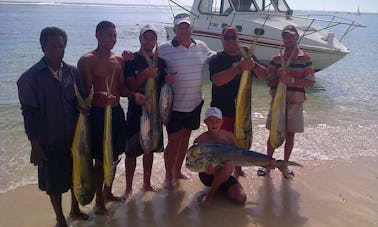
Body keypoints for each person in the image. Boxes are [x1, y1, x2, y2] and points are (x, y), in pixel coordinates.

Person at [17, 26, 88, 227]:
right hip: (49, 139)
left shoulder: (73, 72)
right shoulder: (29, 79)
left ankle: (75, 208)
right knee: (54, 185)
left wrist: (84, 107)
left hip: (75, 138)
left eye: (61, 46)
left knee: (76, 176)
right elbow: (29, 115)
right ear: (43, 47)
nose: (58, 50)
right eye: (53, 46)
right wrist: (35, 146)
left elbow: (81, 99)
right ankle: (59, 217)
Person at [77, 21, 145, 214]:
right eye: (108, 35)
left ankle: (107, 192)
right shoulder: (87, 60)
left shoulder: (118, 60)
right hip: (98, 115)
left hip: (116, 113)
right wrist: (99, 95)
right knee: (99, 158)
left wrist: (134, 95)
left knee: (114, 156)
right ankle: (98, 199)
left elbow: (122, 88)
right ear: (97, 35)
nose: (112, 39)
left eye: (114, 35)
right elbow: (85, 94)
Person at [159, 14, 215, 189]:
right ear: (174, 29)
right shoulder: (164, 48)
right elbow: (153, 67)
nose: (184, 30)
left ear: (192, 29)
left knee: (185, 140)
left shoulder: (201, 46)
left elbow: (215, 56)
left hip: (195, 103)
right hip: (174, 106)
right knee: (173, 141)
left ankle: (177, 171)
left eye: (186, 27)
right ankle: (168, 176)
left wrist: (234, 51)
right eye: (180, 27)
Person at [209, 25, 267, 177]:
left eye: (233, 37)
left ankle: (238, 168)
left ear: (238, 39)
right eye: (227, 37)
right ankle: (219, 174)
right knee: (222, 147)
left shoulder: (248, 57)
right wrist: (238, 68)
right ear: (222, 40)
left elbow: (266, 76)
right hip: (222, 111)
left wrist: (253, 65)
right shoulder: (216, 59)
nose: (230, 40)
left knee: (240, 142)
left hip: (243, 111)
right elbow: (217, 80)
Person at [123, 24, 173, 199]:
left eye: (152, 38)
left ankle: (146, 182)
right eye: (146, 38)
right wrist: (144, 75)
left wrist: (168, 81)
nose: (149, 41)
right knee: (131, 152)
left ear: (155, 41)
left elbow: (164, 88)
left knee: (149, 148)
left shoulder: (162, 62)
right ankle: (128, 188)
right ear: (140, 40)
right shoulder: (131, 60)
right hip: (136, 112)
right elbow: (129, 86)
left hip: (154, 113)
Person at [258, 25, 315, 177]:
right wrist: (279, 79)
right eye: (285, 36)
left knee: (290, 135)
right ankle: (268, 164)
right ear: (282, 39)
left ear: (297, 37)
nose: (288, 39)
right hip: (277, 103)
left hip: (295, 104)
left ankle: (284, 164)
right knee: (273, 134)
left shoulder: (306, 59)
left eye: (291, 36)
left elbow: (310, 82)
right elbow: (269, 80)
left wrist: (290, 79)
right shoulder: (276, 59)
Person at [193, 107, 247, 208]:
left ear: (222, 121)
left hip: (225, 173)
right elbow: (195, 162)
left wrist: (239, 170)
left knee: (241, 199)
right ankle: (210, 195)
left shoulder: (230, 137)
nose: (214, 124)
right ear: (205, 122)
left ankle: (219, 186)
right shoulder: (200, 140)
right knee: (229, 164)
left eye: (217, 121)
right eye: (210, 121)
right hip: (207, 175)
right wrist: (205, 168)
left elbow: (240, 155)